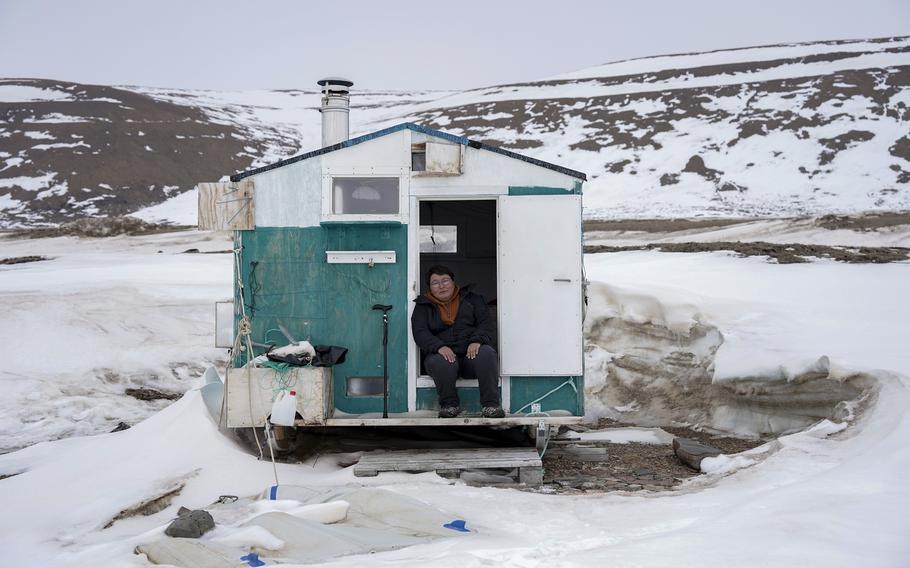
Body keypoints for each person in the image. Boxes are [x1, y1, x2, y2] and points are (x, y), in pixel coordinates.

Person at [411, 265, 505, 418]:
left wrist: (477, 341)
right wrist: (439, 347)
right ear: (429, 287)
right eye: (435, 283)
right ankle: (449, 405)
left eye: (445, 280)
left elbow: (486, 324)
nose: (441, 286)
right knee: (439, 362)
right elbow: (420, 332)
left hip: (470, 358)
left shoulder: (473, 299)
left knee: (487, 353)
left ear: (453, 282)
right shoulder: (423, 306)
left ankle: (491, 406)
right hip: (442, 358)